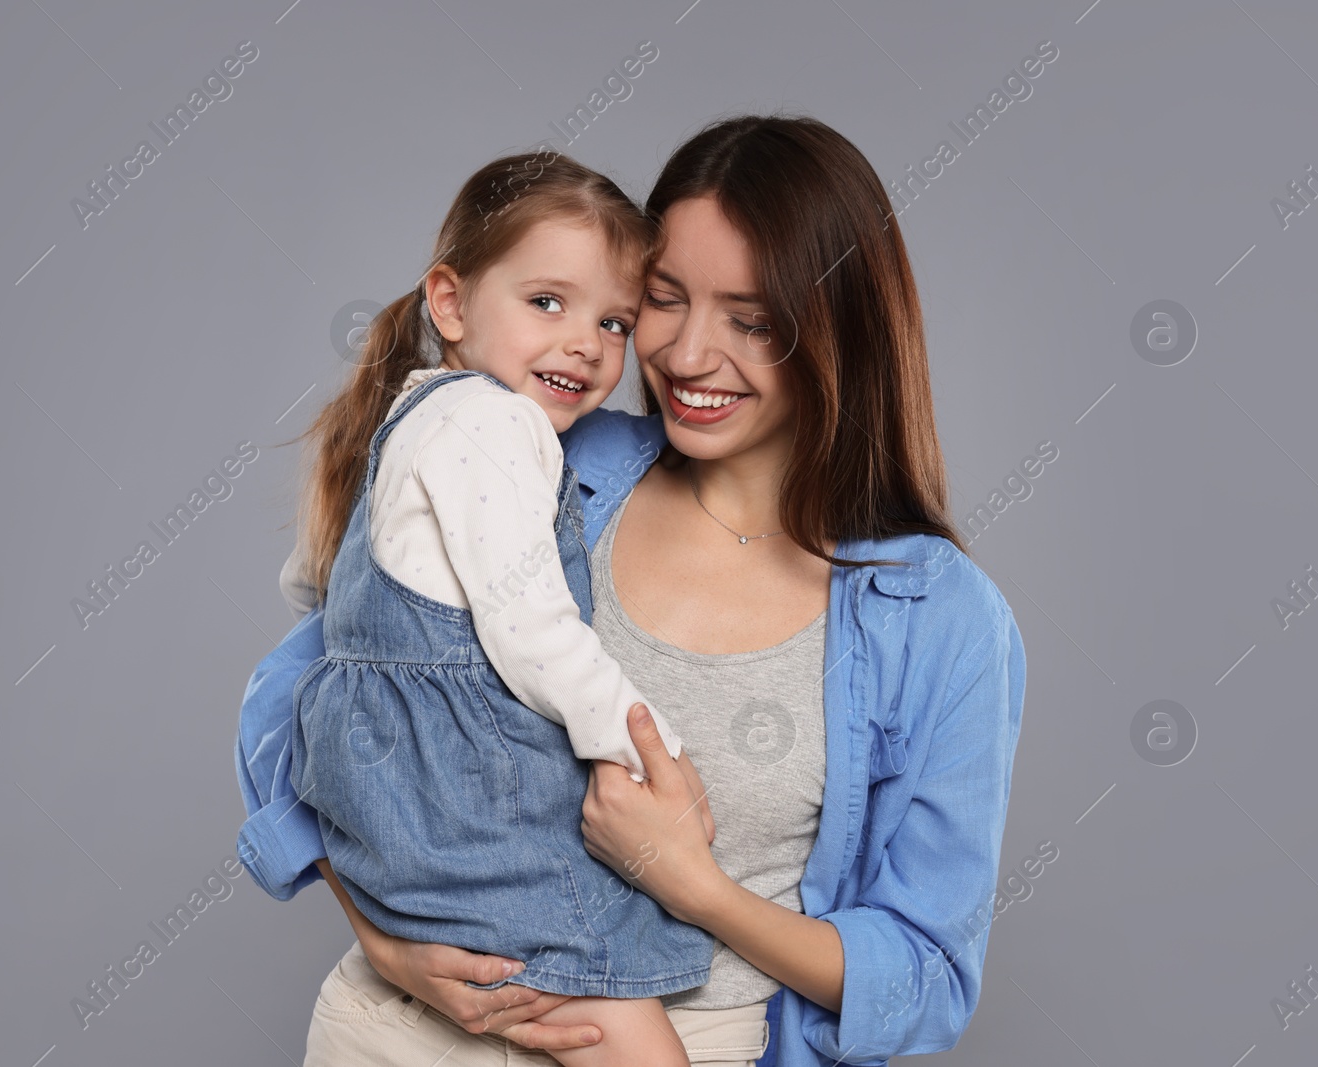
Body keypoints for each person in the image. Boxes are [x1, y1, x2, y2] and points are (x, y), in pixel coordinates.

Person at [236, 113, 1028, 1067]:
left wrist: (694, 885)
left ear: (837, 333)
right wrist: (386, 938)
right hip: (395, 1038)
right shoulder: (547, 453)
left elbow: (927, 979)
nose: (689, 355)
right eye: (663, 299)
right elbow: (310, 695)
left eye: (752, 321)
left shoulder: (937, 618)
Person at [280, 149, 722, 1066]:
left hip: (392, 824)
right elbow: (532, 630)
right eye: (546, 302)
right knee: (633, 1042)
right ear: (450, 302)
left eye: (613, 320)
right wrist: (647, 746)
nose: (585, 343)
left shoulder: (408, 415)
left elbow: (312, 591)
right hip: (478, 819)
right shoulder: (496, 422)